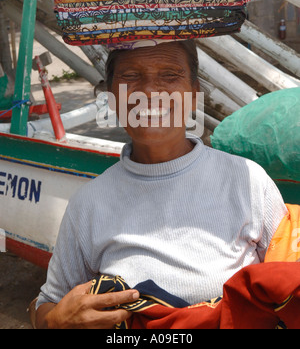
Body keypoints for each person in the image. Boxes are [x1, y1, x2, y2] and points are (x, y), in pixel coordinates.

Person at [35, 40, 288, 329]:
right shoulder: (89, 203)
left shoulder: (247, 180)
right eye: (130, 77)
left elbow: (289, 286)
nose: (150, 92)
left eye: (170, 75)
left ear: (194, 96)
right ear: (111, 98)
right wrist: (55, 322)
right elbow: (47, 304)